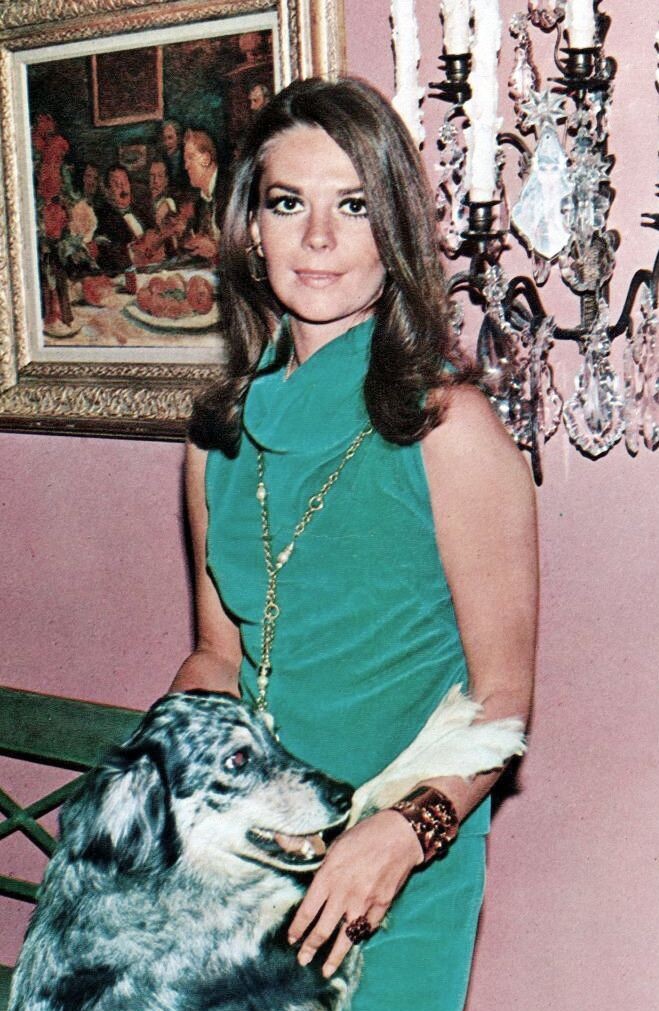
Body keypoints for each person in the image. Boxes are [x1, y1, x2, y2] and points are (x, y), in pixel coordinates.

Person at [172, 77, 537, 1010]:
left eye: (354, 205)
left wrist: (404, 833)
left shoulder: (450, 429)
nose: (318, 239)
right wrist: (163, 783)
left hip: (399, 863)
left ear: (395, 230)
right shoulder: (217, 435)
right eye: (287, 203)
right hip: (248, 858)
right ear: (251, 230)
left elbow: (502, 697)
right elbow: (217, 655)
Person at [95, 164, 152, 275]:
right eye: (117, 185)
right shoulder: (101, 218)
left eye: (125, 183)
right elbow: (109, 254)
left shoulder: (141, 212)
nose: (123, 189)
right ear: (107, 191)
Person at [182, 128, 222, 262]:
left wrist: (216, 248)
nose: (186, 166)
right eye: (185, 160)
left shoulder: (230, 189)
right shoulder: (200, 202)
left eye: (190, 158)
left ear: (206, 159)